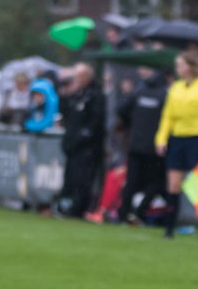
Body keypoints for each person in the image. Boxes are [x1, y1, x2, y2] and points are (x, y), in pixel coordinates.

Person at [155, 52, 198, 240]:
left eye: (181, 65)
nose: (178, 69)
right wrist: (161, 138)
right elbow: (167, 116)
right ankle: (169, 228)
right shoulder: (175, 88)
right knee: (173, 183)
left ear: (191, 67)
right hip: (177, 138)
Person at [116, 70, 169, 224]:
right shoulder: (165, 96)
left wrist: (132, 124)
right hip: (155, 147)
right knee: (156, 181)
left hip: (136, 144)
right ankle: (140, 212)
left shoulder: (139, 93)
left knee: (131, 181)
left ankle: (123, 213)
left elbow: (121, 110)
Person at [57, 62, 107, 219]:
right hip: (72, 145)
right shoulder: (74, 94)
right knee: (69, 178)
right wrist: (65, 94)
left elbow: (95, 122)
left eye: (78, 76)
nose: (75, 79)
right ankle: (65, 206)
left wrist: (82, 137)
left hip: (87, 148)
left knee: (82, 180)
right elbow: (65, 114)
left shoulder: (95, 96)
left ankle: (77, 209)